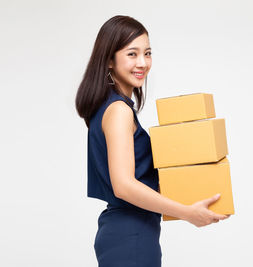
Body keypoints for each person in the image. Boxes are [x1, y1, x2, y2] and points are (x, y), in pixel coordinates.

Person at [75, 15, 230, 266]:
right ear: (110, 61)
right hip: (130, 234)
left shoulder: (111, 108)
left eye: (147, 53)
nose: (143, 63)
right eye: (132, 54)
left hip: (129, 232)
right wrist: (188, 213)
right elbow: (123, 186)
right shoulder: (118, 111)